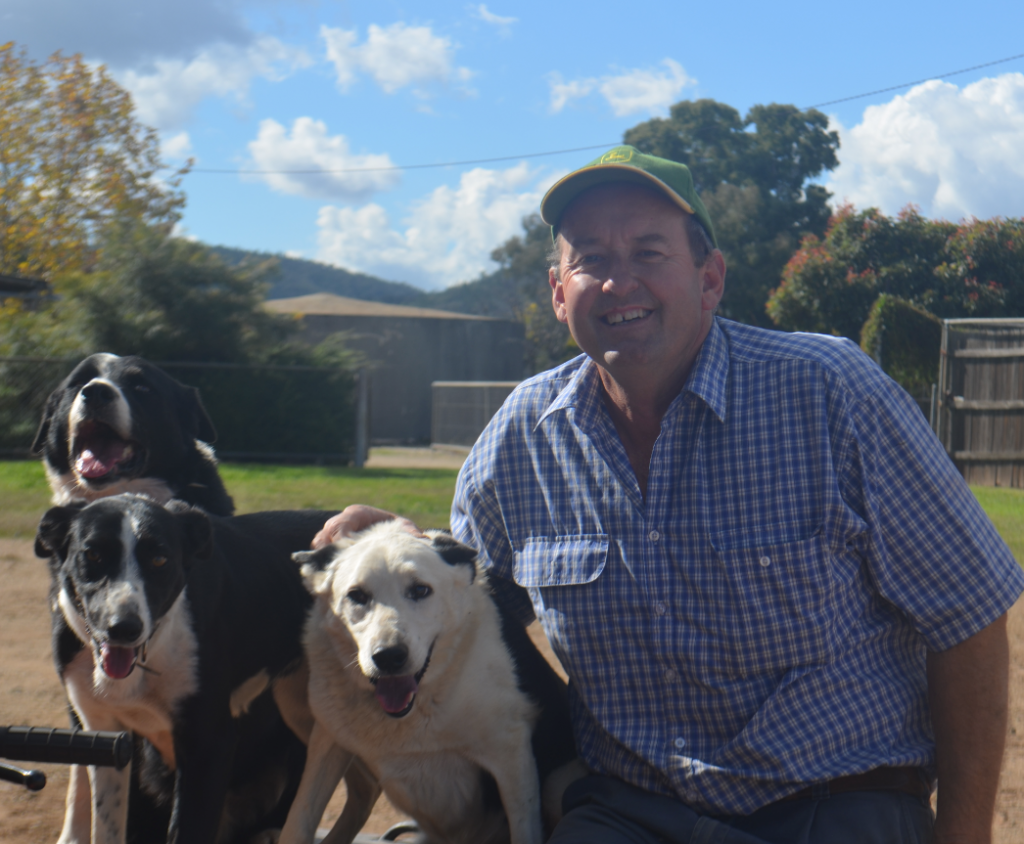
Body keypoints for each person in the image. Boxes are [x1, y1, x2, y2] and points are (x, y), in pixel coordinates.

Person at [318, 146, 1023, 844]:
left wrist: (963, 836)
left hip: (832, 801)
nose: (619, 282)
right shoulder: (520, 440)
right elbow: (466, 605)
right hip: (629, 811)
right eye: (590, 257)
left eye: (649, 253)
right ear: (559, 292)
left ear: (710, 279)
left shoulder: (830, 393)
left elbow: (967, 618)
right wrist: (391, 548)